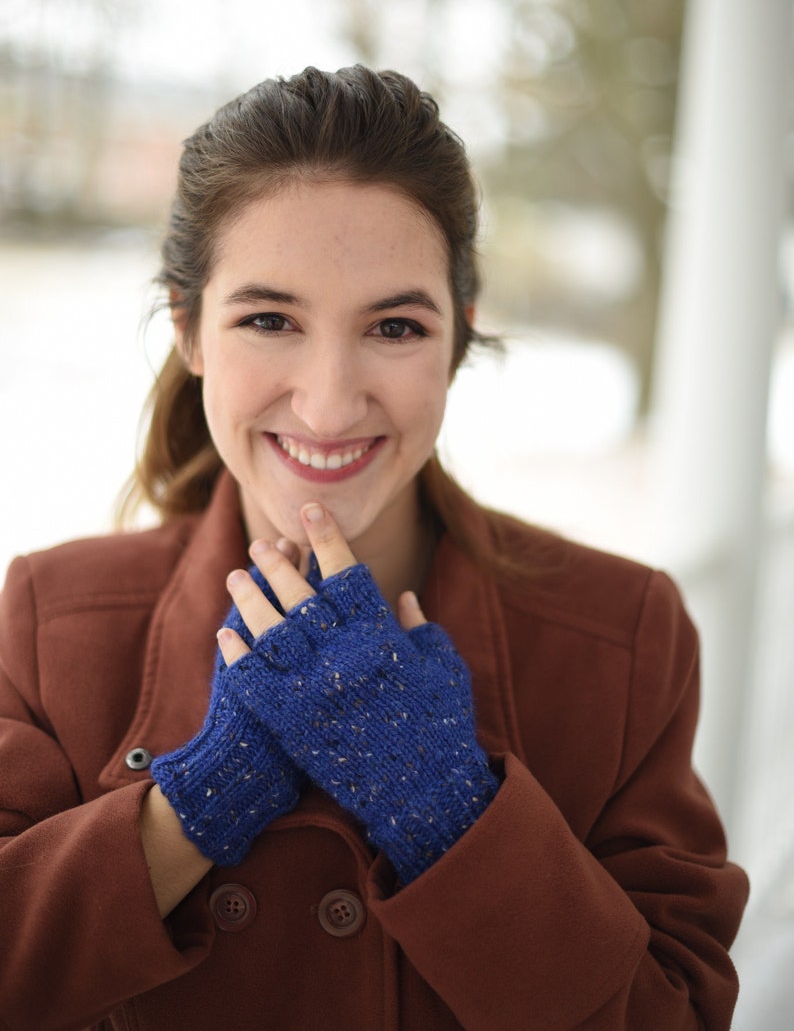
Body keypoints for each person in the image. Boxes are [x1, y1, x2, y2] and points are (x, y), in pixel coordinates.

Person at [0, 65, 747, 1031]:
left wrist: (450, 811)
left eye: (395, 326)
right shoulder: (49, 620)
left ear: (460, 339)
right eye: (269, 320)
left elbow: (675, 1014)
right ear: (188, 330)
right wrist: (197, 804)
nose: (328, 402)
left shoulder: (622, 633)